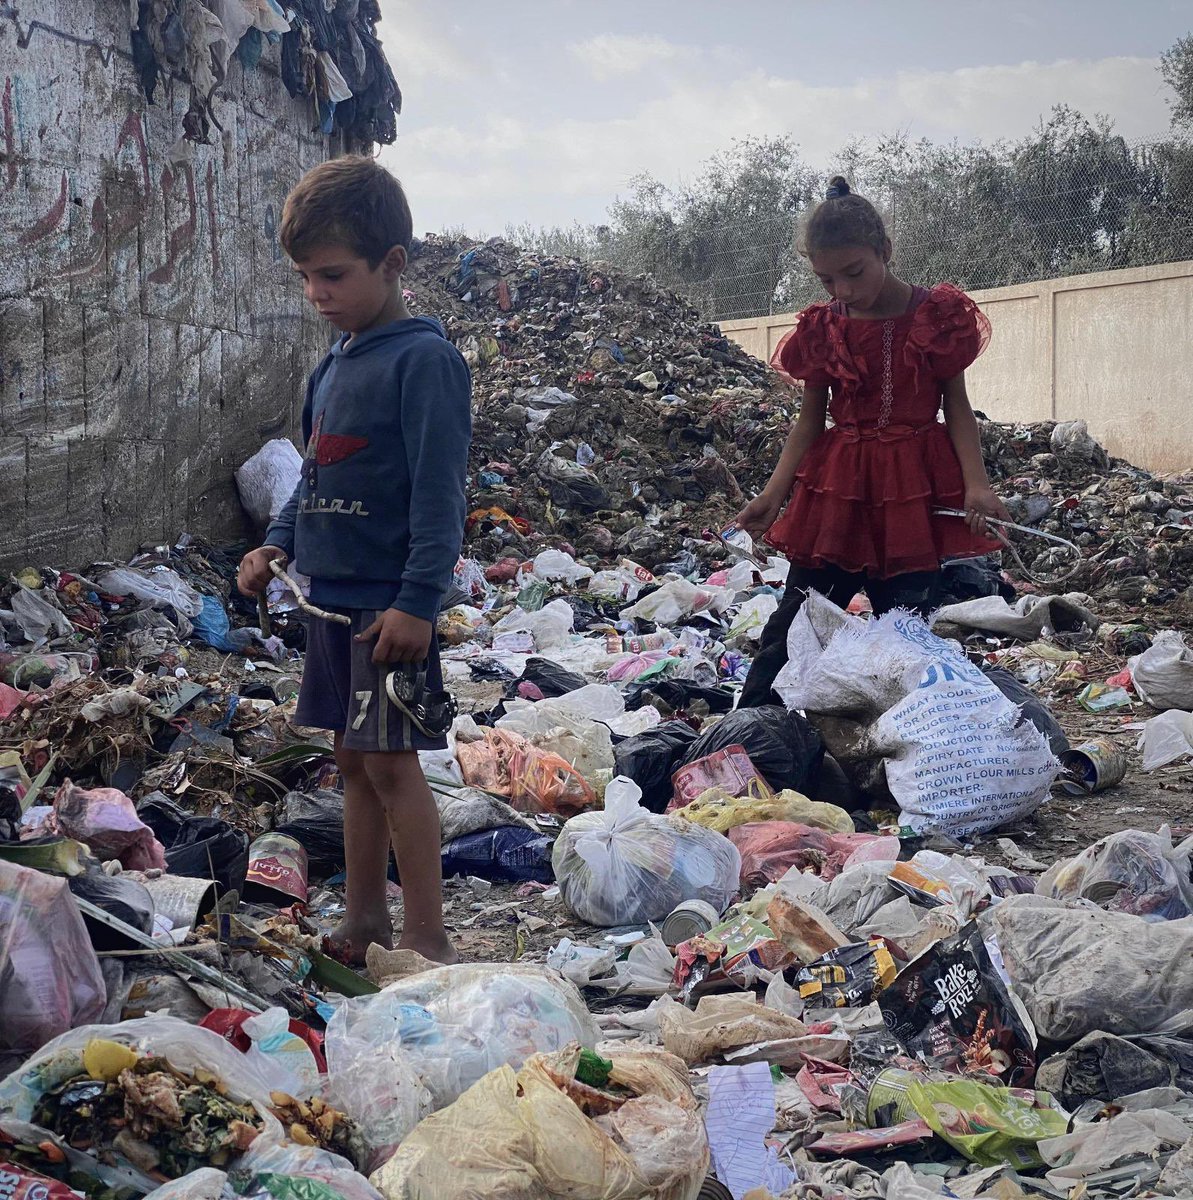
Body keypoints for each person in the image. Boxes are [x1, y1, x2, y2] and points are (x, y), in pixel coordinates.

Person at [237, 157, 471, 966]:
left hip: (385, 608)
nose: (317, 294)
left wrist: (417, 602)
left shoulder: (424, 362)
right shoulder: (331, 365)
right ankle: (367, 919)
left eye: (332, 275)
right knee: (349, 758)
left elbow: (441, 499)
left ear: (392, 263)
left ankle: (428, 937)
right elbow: (314, 475)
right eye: (305, 278)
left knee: (390, 762)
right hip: (329, 602)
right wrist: (278, 543)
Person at [736, 176, 1007, 708]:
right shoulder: (823, 326)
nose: (842, 291)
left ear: (885, 250)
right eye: (826, 279)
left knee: (903, 632)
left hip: (913, 489)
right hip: (839, 491)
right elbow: (810, 420)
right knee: (795, 625)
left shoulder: (937, 315)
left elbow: (956, 406)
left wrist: (976, 485)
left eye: (854, 273)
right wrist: (772, 496)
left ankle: (898, 750)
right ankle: (744, 738)